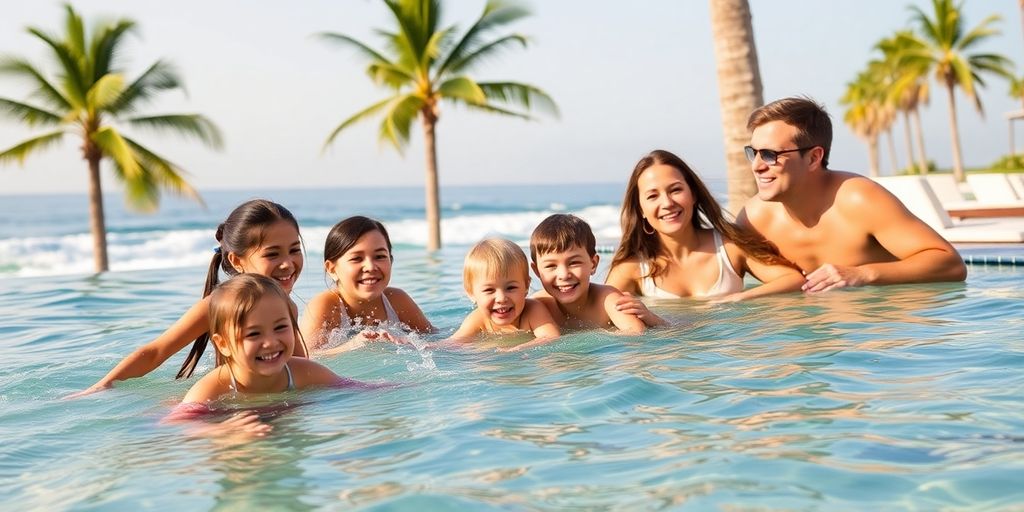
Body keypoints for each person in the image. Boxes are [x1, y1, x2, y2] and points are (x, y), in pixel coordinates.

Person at [67, 199, 306, 398]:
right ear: (236, 261)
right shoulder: (215, 306)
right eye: (272, 254)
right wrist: (101, 386)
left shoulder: (288, 307)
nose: (287, 263)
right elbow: (155, 352)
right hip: (223, 406)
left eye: (294, 250)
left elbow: (298, 368)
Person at [737, 96, 967, 292]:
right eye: (753, 153)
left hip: (883, 334)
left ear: (813, 158)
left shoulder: (858, 199)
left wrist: (863, 274)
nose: (757, 166)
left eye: (769, 155)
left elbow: (951, 265)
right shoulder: (754, 220)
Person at [165, 275, 365, 436]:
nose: (270, 342)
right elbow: (173, 426)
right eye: (253, 334)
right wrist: (222, 431)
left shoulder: (304, 372)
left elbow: (356, 388)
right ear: (223, 344)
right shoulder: (214, 387)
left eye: (280, 328)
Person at [606, 150, 807, 302]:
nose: (667, 203)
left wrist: (738, 300)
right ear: (641, 209)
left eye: (675, 190)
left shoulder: (729, 248)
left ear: (693, 194)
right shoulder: (632, 269)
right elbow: (596, 312)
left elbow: (792, 279)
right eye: (652, 196)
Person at [299, 216, 434, 353]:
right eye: (356, 258)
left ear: (391, 261)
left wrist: (407, 343)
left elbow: (433, 338)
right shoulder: (324, 306)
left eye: (380, 257)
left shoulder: (397, 300)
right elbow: (307, 356)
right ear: (332, 269)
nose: (370, 267)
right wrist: (353, 345)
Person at [529, 214, 646, 334]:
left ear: (593, 264)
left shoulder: (607, 299)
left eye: (574, 263)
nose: (563, 275)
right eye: (551, 266)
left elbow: (637, 333)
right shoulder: (537, 307)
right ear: (537, 271)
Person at [449, 238, 560, 348]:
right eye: (489, 290)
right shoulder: (478, 319)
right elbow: (454, 343)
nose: (501, 298)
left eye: (511, 288)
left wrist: (519, 349)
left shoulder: (533, 310)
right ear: (471, 293)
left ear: (526, 286)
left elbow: (551, 337)